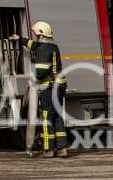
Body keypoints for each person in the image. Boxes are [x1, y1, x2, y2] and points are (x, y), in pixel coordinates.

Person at [12, 21, 68, 158]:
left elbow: (41, 71)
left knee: (46, 118)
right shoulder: (51, 46)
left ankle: (49, 149)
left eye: (36, 34)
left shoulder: (43, 50)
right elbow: (34, 46)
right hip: (59, 86)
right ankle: (62, 148)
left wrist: (31, 79)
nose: (35, 36)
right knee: (57, 117)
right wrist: (20, 39)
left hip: (49, 88)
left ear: (41, 34)